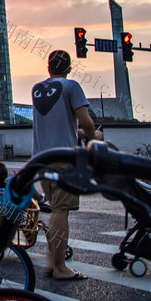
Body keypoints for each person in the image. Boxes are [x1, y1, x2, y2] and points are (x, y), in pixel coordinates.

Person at [31, 49, 102, 282]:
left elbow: (59, 126)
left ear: (48, 68)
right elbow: (86, 121)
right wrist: (94, 136)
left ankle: (54, 262)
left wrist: (80, 132)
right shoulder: (71, 87)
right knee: (61, 211)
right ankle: (60, 267)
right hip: (64, 160)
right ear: (69, 69)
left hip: (42, 159)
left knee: (55, 209)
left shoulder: (37, 90)